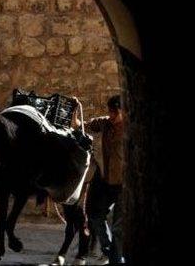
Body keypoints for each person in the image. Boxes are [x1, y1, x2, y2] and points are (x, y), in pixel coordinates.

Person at [72, 95, 125, 264]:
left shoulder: (131, 128)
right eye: (109, 112)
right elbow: (80, 127)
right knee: (95, 216)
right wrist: (76, 109)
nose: (111, 116)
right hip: (106, 181)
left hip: (124, 185)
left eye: (114, 113)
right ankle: (108, 251)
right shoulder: (104, 123)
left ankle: (116, 259)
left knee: (117, 227)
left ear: (122, 111)